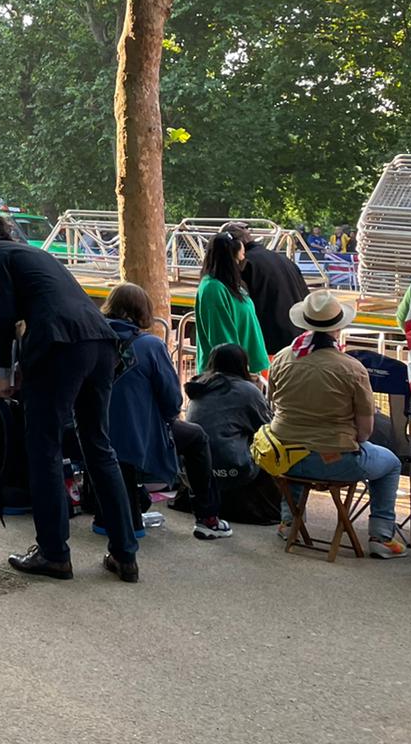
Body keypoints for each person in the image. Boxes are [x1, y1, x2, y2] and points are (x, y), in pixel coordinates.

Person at [0, 212, 139, 582]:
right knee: (98, 445)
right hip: (101, 340)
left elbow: (0, 318)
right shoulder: (34, 254)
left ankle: (53, 552)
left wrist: (0, 373)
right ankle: (125, 553)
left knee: (44, 448)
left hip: (59, 344)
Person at [267, 291, 405, 557]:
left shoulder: (283, 358)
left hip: (284, 457)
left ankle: (289, 522)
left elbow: (273, 404)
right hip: (334, 459)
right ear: (339, 327)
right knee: (391, 463)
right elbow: (365, 432)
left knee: (296, 448)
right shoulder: (351, 368)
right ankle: (381, 537)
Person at [102, 283, 231, 541]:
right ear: (143, 311)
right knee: (196, 438)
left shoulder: (94, 339)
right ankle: (207, 517)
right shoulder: (150, 345)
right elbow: (172, 400)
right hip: (136, 435)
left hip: (95, 432)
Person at [184, 343, 280, 524]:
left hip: (193, 469)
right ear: (243, 364)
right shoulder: (247, 390)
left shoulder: (199, 385)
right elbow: (266, 428)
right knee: (269, 447)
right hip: (233, 467)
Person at [218, 221, 308, 359]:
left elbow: (239, 307)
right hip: (298, 341)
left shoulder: (244, 264)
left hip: (268, 344)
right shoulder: (283, 259)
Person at [194, 231, 270, 378]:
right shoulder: (213, 289)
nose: (243, 261)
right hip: (228, 378)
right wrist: (240, 373)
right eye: (240, 257)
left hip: (248, 372)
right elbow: (221, 338)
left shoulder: (232, 285)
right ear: (230, 259)